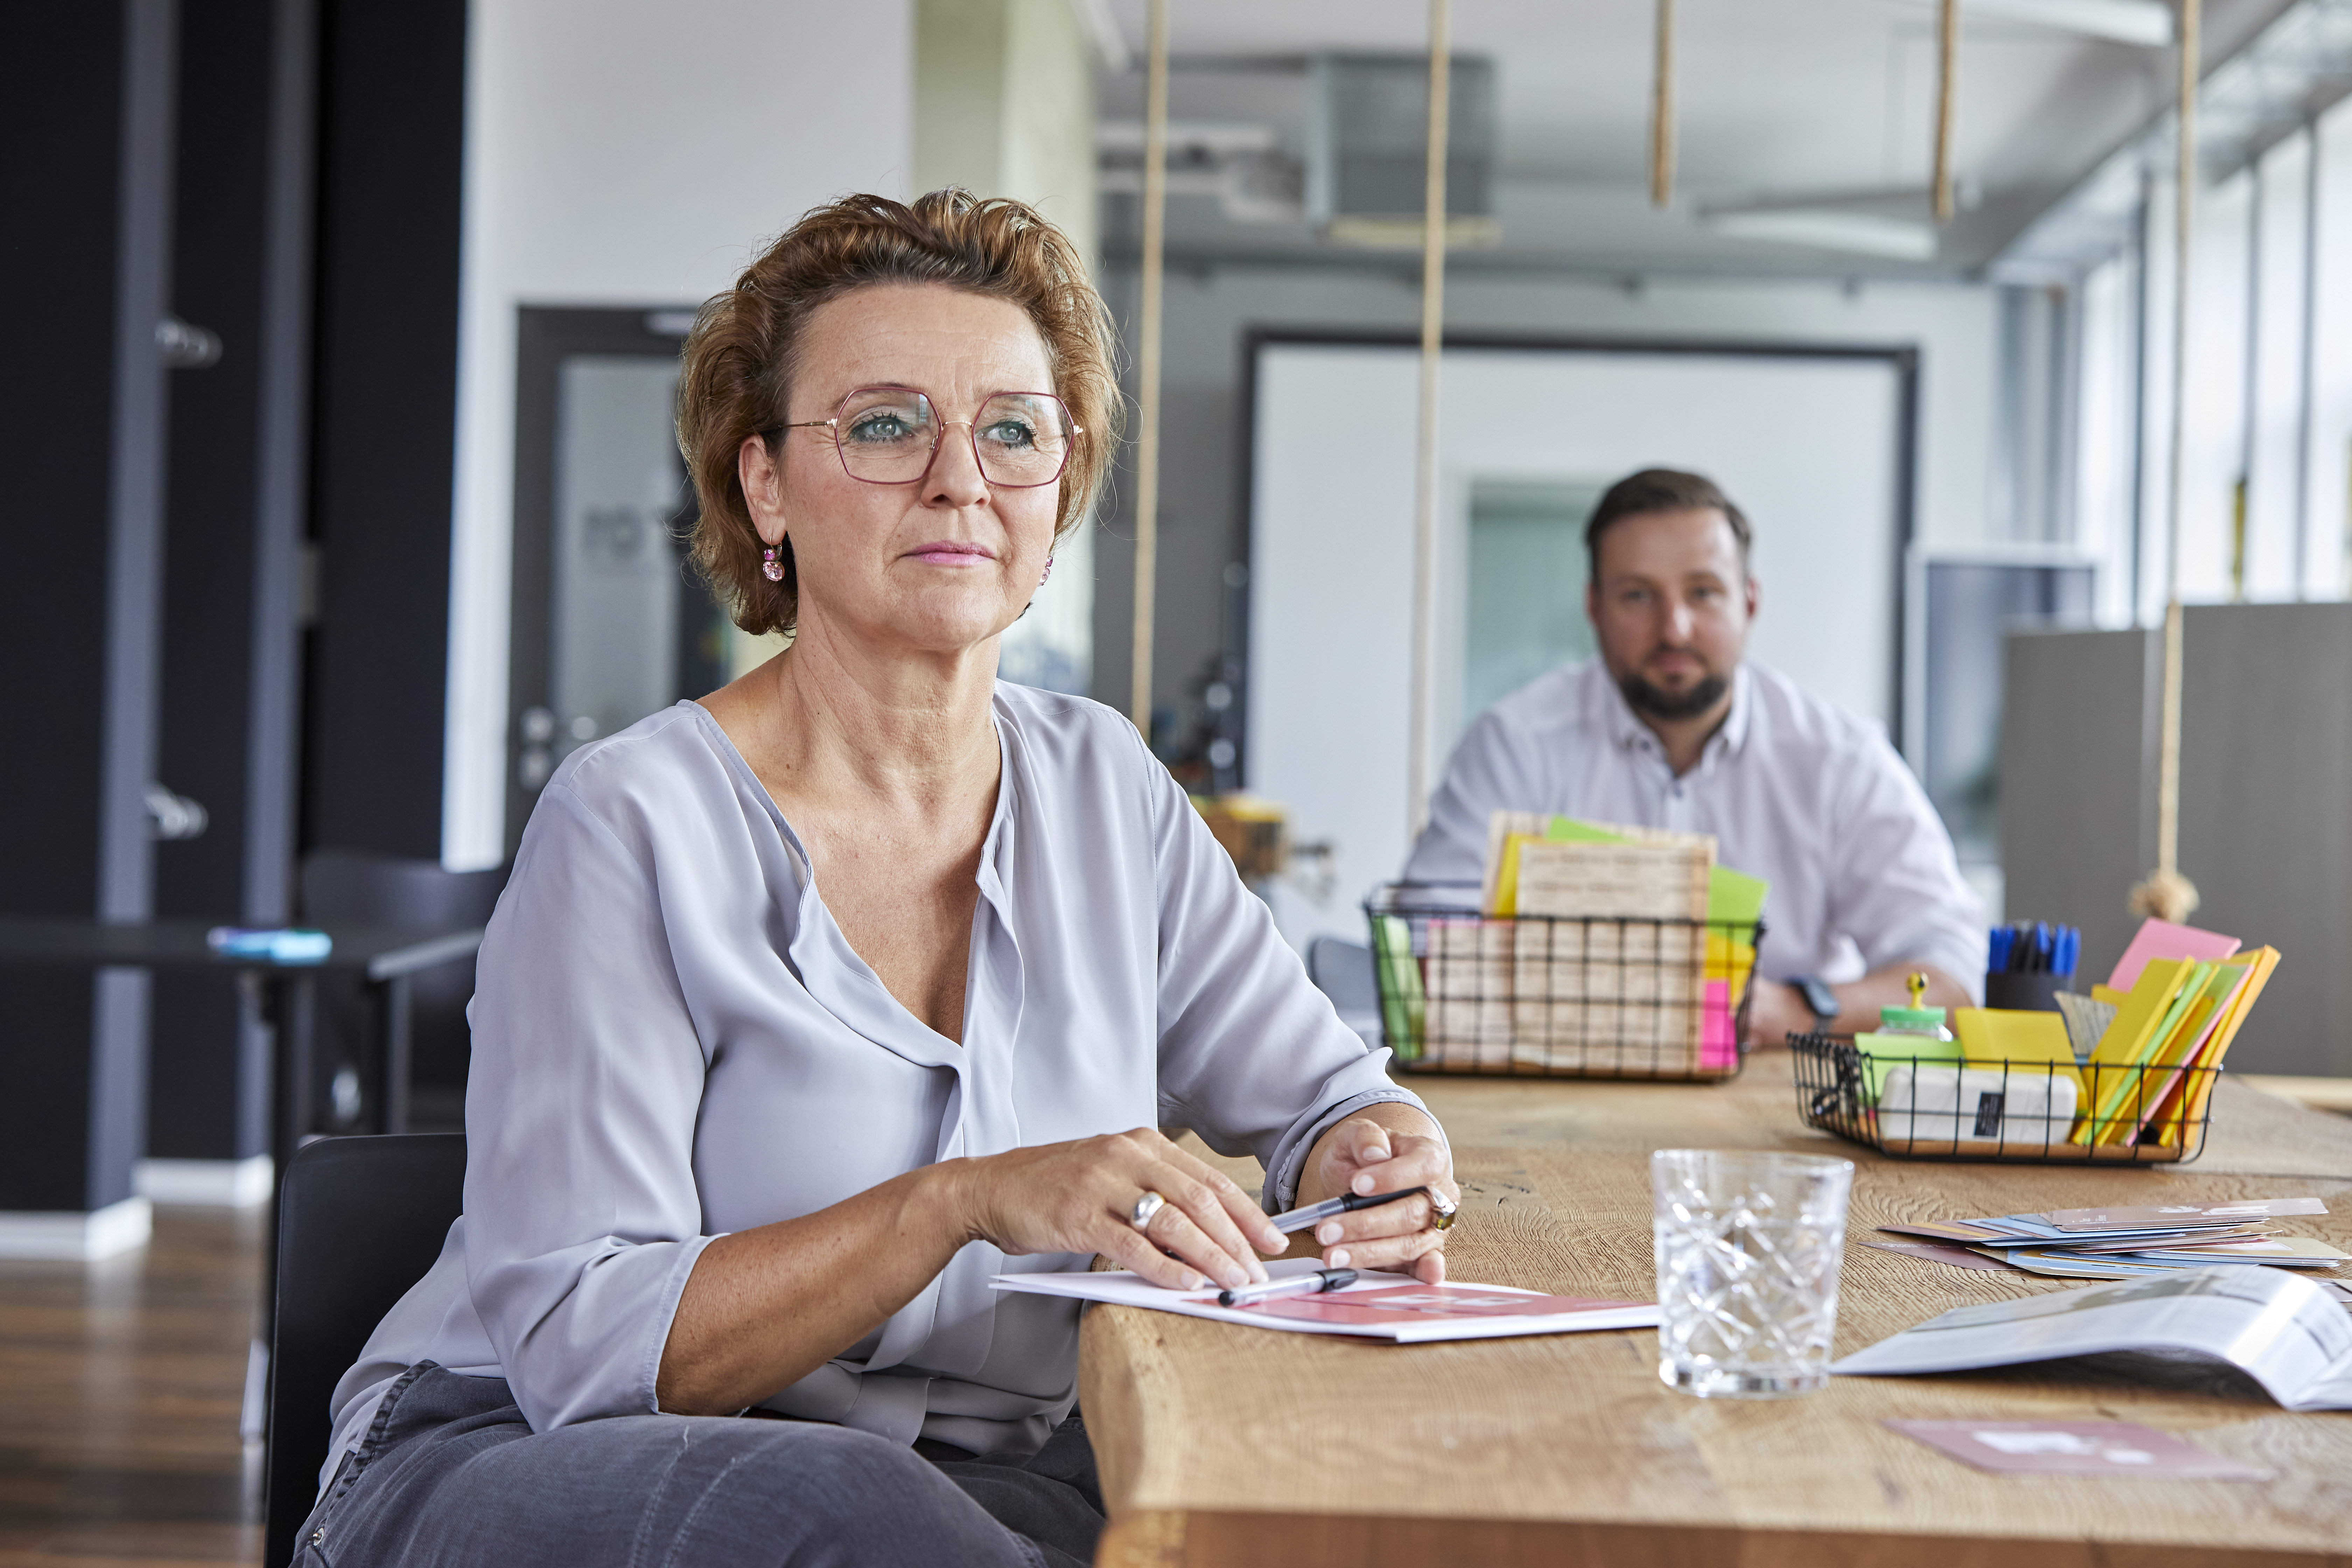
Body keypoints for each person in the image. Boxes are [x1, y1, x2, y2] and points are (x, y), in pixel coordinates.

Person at [300, 191, 1457, 1568]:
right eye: (886, 424)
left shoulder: (1106, 784)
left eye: (1012, 431)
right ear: (765, 484)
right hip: (520, 1457)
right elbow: (585, 1353)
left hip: (958, 1485)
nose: (960, 478)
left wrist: (1370, 1151)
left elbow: (1323, 1093)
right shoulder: (631, 821)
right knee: (854, 1514)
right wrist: (961, 1198)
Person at [1403, 467, 1982, 1046]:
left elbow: (1954, 974)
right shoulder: (1514, 743)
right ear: (1593, 606)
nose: (1674, 628)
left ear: (1750, 601)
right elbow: (1421, 949)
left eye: (1703, 592)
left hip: (1774, 1100)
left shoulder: (1840, 761)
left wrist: (1798, 1010)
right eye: (1637, 595)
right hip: (1547, 1094)